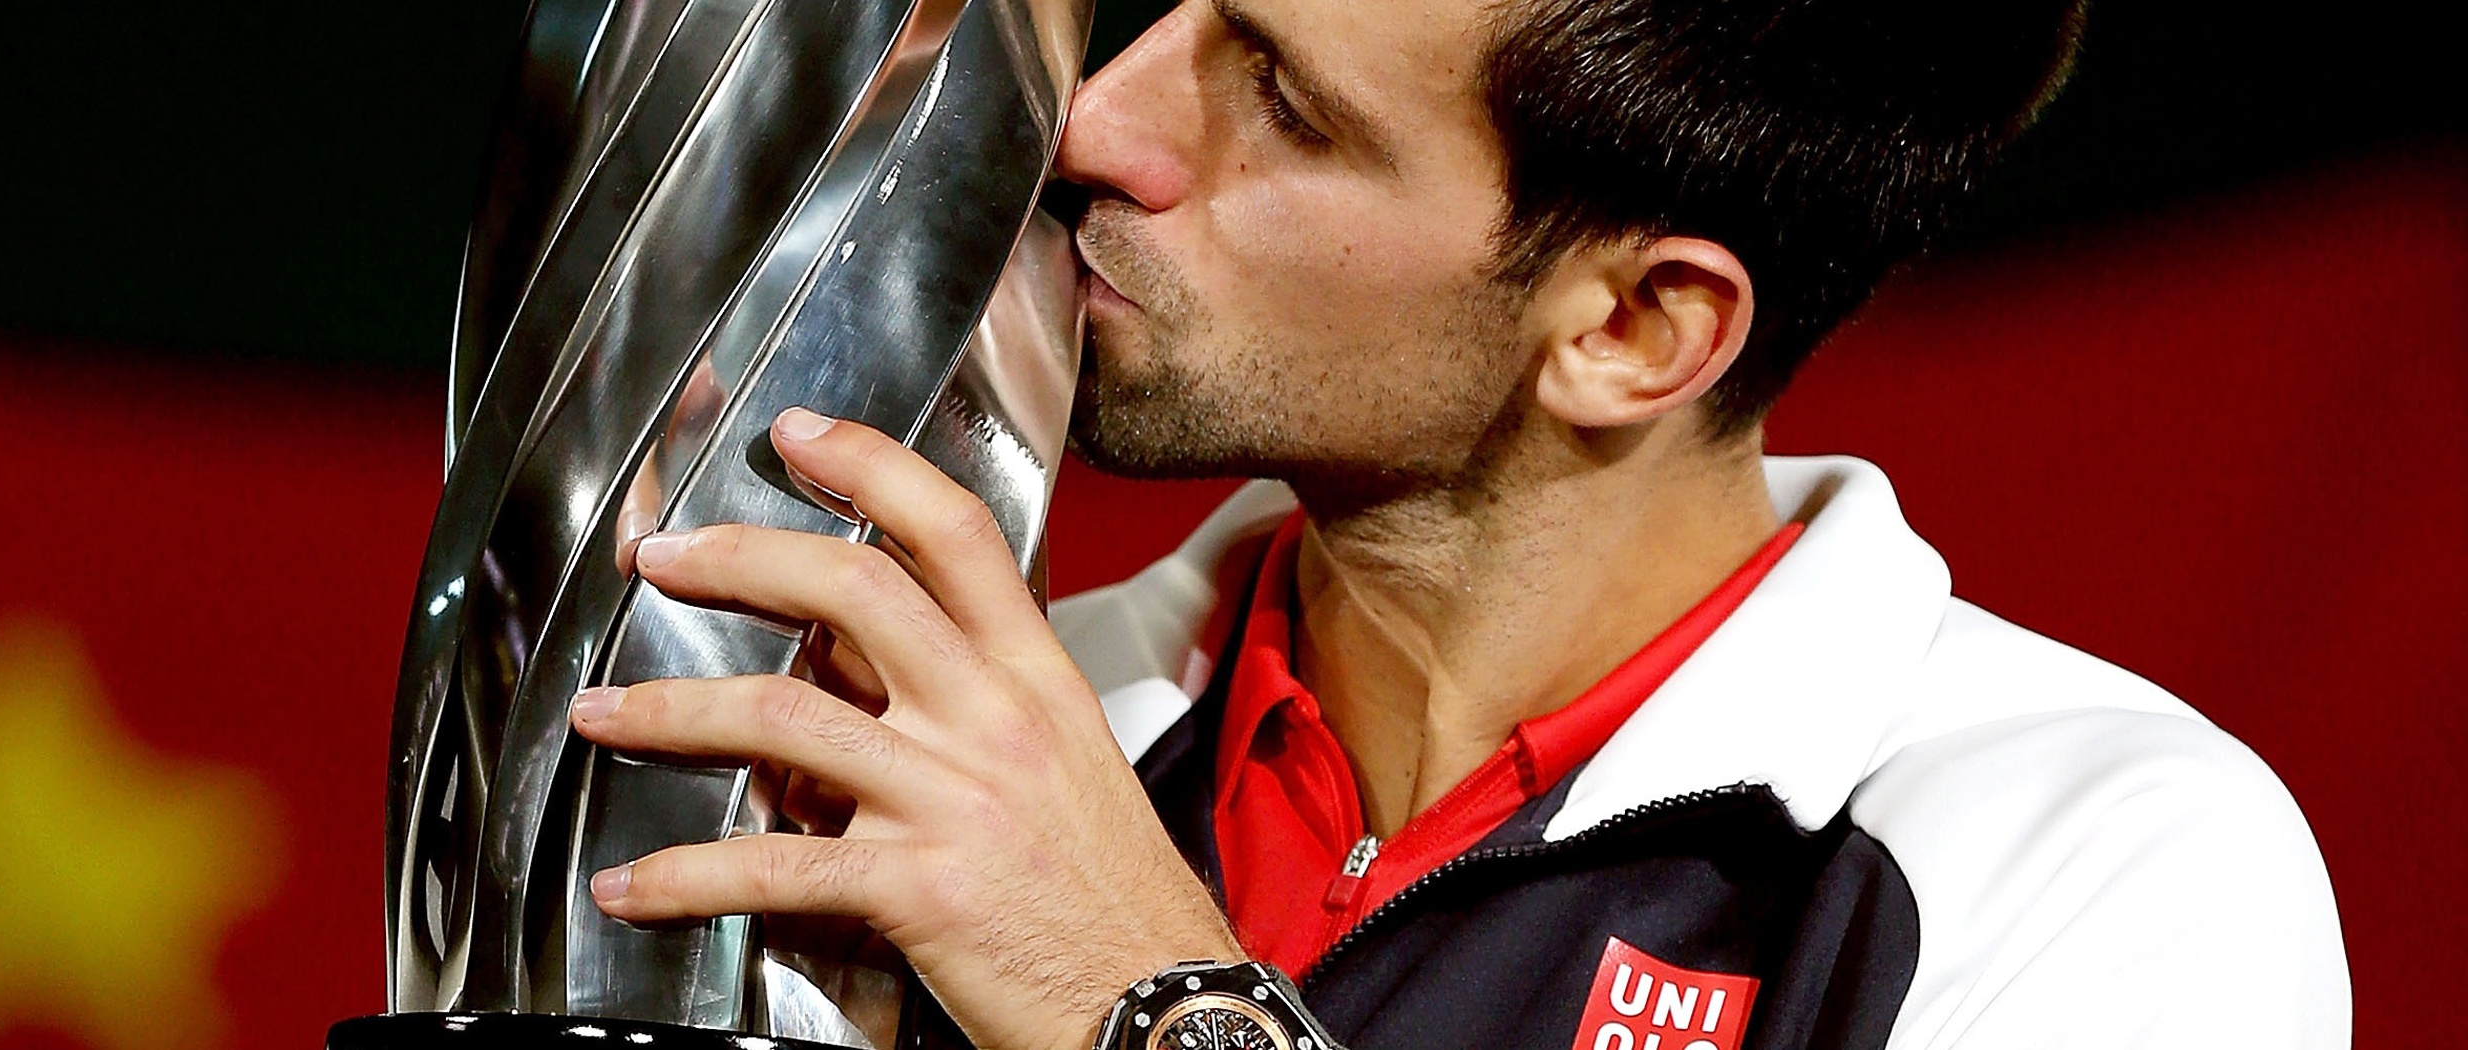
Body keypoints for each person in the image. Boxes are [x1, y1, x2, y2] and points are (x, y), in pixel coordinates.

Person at [558, 0, 2352, 1046]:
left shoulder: (2102, 861)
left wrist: (1144, 1000)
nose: (1099, 125)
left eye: (1280, 104)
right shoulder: (959, 732)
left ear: (1633, 330)